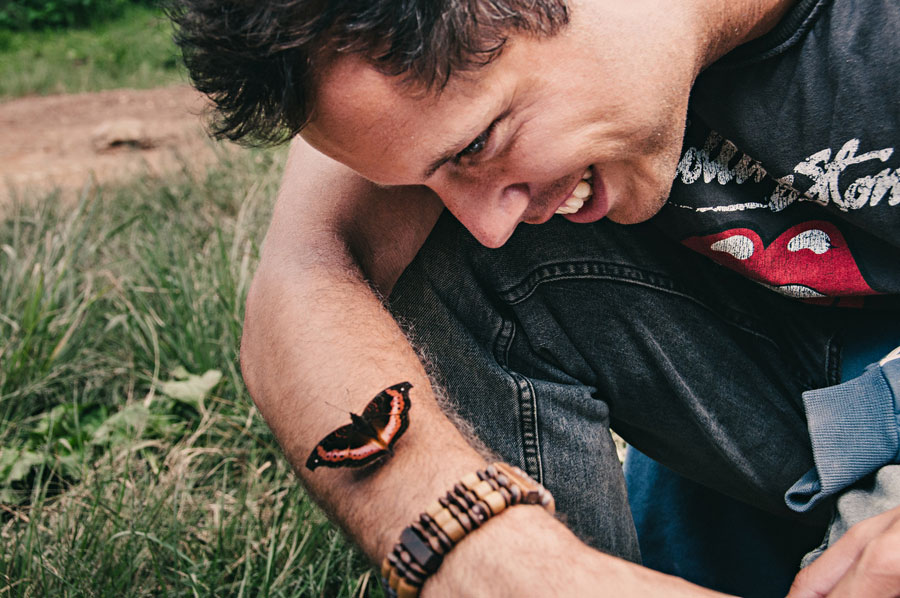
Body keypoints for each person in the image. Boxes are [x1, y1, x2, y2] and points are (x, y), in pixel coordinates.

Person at [171, 0, 900, 595]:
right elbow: (303, 280)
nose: (485, 225)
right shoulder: (393, 51)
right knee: (420, 256)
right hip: (780, 405)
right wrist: (479, 547)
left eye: (479, 144)